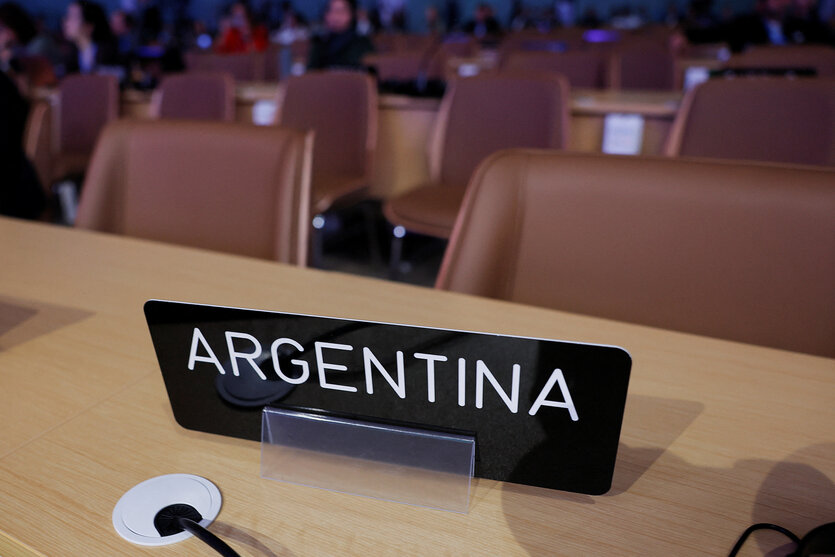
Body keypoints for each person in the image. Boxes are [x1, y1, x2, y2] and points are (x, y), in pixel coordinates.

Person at [308, 0, 374, 71]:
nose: (334, 16)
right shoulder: (319, 44)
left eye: (339, 11)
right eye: (330, 11)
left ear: (352, 14)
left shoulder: (362, 43)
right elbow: (311, 75)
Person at [62, 0, 120, 74]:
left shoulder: (109, 54)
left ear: (89, 26)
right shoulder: (72, 54)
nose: (66, 22)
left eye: (72, 16)